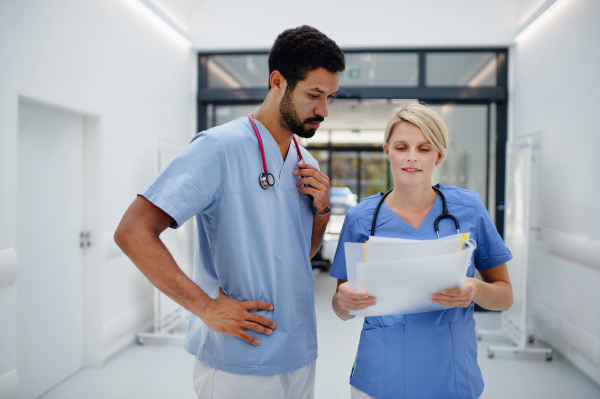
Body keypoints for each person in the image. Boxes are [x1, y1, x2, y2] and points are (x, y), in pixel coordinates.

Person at [114, 25, 345, 399]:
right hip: (240, 359)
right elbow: (132, 231)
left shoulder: (307, 162)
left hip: (300, 351)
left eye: (330, 97)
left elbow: (301, 255)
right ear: (277, 81)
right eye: (314, 94)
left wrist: (321, 212)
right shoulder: (219, 148)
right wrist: (205, 308)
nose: (323, 110)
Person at [330, 103, 514, 399]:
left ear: (438, 155)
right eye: (402, 147)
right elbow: (342, 309)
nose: (412, 157)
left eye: (424, 149)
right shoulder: (361, 219)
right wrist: (343, 300)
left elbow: (505, 296)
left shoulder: (468, 209)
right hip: (379, 379)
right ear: (387, 151)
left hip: (451, 377)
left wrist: (475, 290)